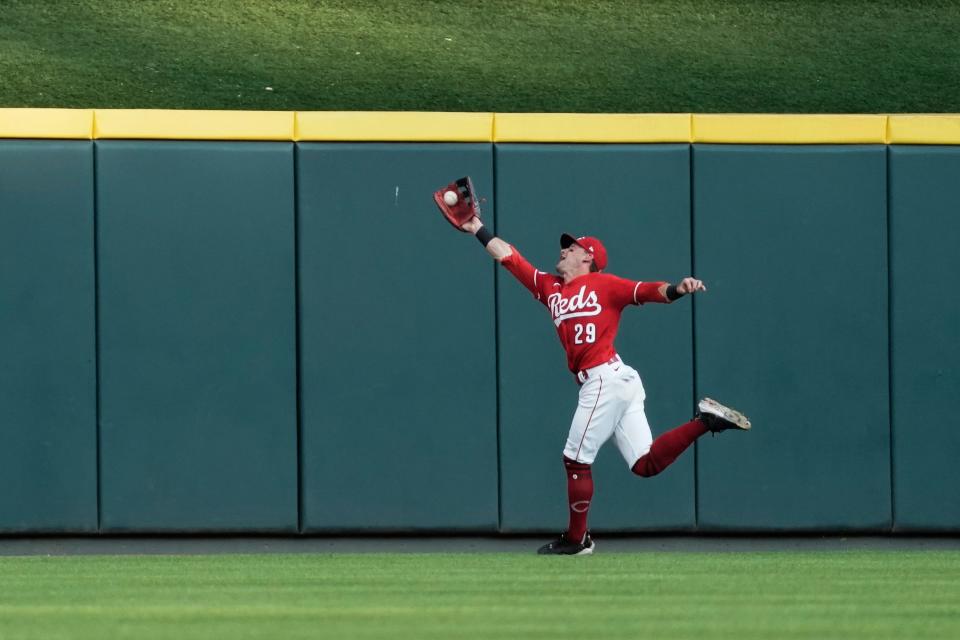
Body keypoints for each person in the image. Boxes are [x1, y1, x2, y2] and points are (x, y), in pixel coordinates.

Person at [461, 216, 751, 555]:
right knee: (645, 464)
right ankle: (706, 421)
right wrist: (476, 228)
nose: (564, 249)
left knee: (575, 459)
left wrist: (676, 289)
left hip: (604, 379)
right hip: (616, 379)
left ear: (588, 258)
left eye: (572, 247)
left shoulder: (605, 284)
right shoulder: (550, 287)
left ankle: (577, 539)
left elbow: (646, 291)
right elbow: (509, 256)